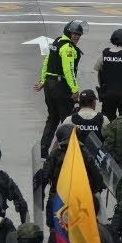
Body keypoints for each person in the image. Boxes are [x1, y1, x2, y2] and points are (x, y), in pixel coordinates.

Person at [35, 21, 85, 155]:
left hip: (49, 86)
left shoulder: (56, 43)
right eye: (75, 34)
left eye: (79, 35)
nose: (77, 37)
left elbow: (47, 62)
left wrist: (43, 80)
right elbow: (68, 70)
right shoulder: (68, 48)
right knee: (68, 120)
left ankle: (43, 150)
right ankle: (67, 151)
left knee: (52, 118)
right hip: (60, 87)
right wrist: (74, 89)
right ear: (68, 32)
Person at [93, 27, 122, 122]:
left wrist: (103, 86)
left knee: (107, 121)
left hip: (108, 94)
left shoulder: (104, 54)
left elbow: (99, 71)